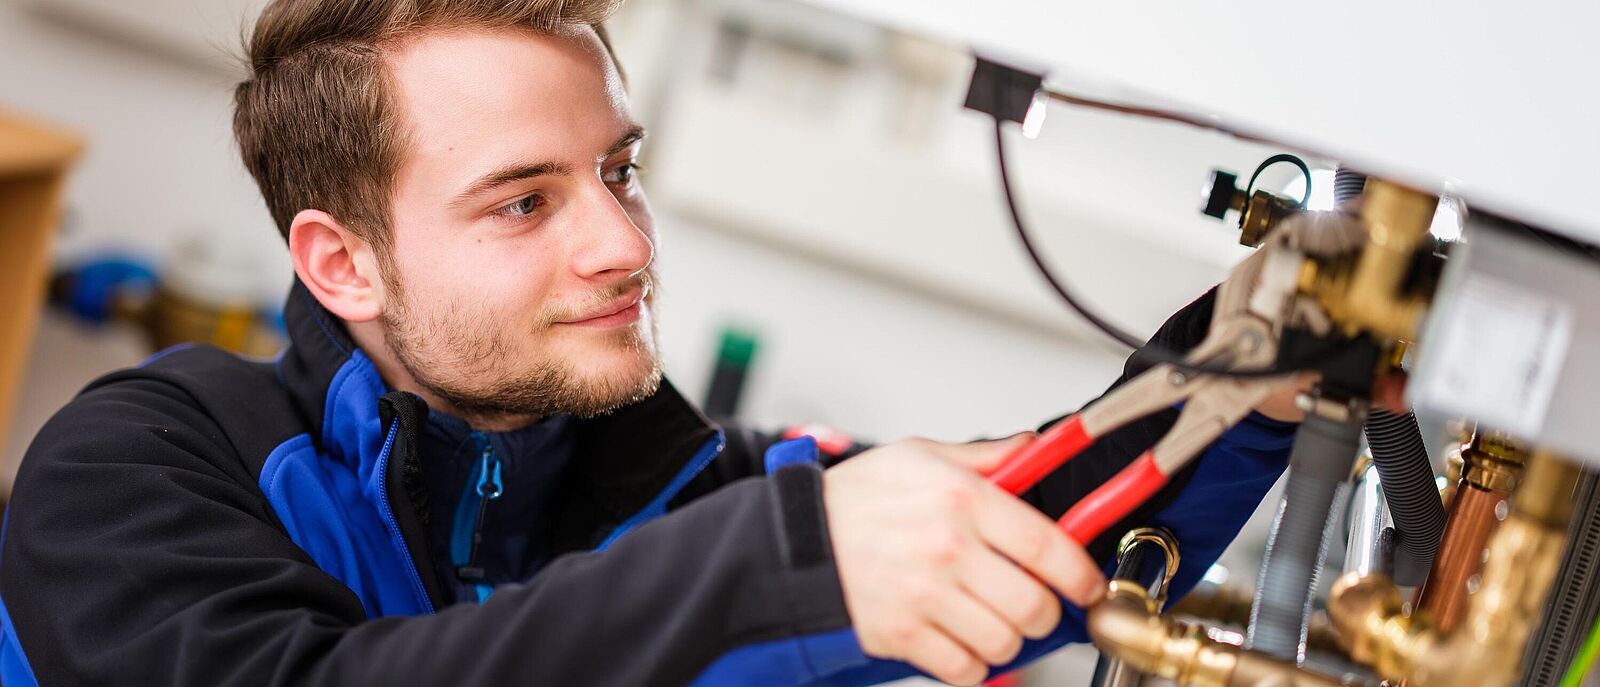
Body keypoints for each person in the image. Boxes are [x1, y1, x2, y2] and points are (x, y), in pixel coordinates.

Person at [0, 1, 1305, 685]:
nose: (622, 244)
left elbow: (1027, 532)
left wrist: (1259, 366)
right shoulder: (138, 466)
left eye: (617, 171)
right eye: (524, 201)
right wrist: (767, 568)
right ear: (342, 263)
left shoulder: (668, 483)